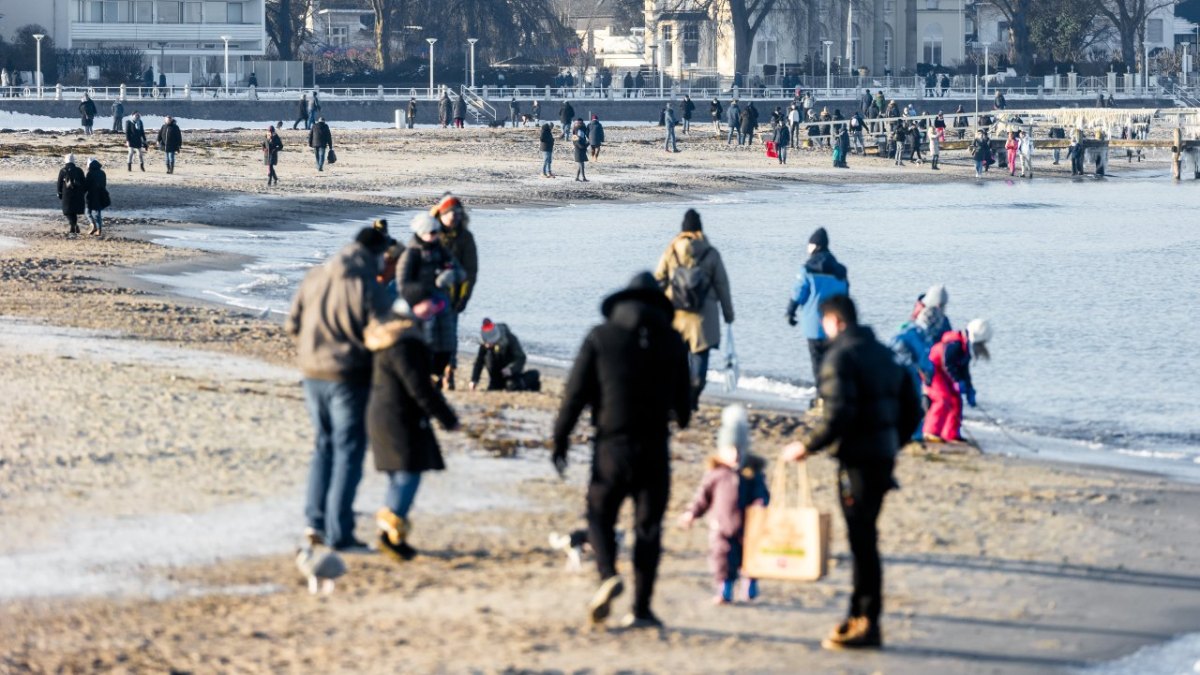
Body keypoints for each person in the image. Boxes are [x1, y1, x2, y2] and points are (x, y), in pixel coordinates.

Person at [780, 295, 921, 650]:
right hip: (881, 458)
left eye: (826, 324)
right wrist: (893, 443)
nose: (825, 331)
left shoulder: (840, 357)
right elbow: (913, 408)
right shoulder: (884, 353)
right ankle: (861, 614)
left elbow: (837, 414)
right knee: (865, 538)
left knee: (862, 541)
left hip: (858, 461)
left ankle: (866, 620)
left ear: (836, 322)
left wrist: (806, 446)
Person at [552, 271, 692, 630]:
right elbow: (685, 411)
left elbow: (574, 395)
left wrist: (560, 439)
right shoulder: (674, 342)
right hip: (654, 449)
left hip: (612, 445)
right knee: (648, 528)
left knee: (599, 515)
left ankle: (608, 575)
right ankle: (642, 609)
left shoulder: (600, 337)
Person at [288, 227, 393, 550]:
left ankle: (314, 522)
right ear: (375, 255)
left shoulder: (316, 275)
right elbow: (385, 332)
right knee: (348, 452)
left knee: (324, 446)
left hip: (312, 373)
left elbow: (293, 324)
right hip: (348, 376)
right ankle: (339, 533)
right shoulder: (366, 284)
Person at [365, 287, 459, 563]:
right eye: (428, 305)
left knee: (400, 474)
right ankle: (390, 532)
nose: (433, 311)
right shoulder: (406, 342)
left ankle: (393, 535)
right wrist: (447, 418)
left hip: (383, 413)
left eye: (437, 307)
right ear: (411, 307)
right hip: (399, 417)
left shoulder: (388, 334)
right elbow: (419, 387)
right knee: (409, 473)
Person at [678, 404, 769, 605]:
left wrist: (760, 503)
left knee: (750, 558)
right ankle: (724, 589)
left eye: (739, 449)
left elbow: (762, 494)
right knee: (722, 559)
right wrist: (691, 514)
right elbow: (702, 498)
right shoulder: (716, 475)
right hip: (721, 526)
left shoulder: (752, 474)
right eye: (730, 449)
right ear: (721, 451)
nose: (735, 454)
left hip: (749, 527)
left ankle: (750, 584)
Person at [653, 209, 735, 410]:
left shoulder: (671, 250)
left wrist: (657, 307)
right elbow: (722, 285)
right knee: (700, 360)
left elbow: (658, 278)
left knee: (676, 360)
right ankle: (693, 395)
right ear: (700, 229)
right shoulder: (711, 253)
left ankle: (679, 398)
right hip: (703, 318)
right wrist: (728, 314)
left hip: (676, 315)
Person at [786, 227, 850, 392]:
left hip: (813, 326)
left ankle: (821, 396)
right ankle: (834, 394)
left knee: (817, 363)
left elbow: (799, 292)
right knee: (834, 364)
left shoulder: (807, 269)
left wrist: (790, 311)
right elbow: (845, 297)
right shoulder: (840, 271)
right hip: (835, 327)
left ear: (814, 246)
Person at [432, 195, 478, 389]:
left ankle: (449, 371)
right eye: (449, 214)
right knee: (431, 335)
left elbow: (470, 270)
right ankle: (436, 372)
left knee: (450, 335)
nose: (453, 217)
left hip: (453, 298)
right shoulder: (430, 233)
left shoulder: (465, 238)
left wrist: (464, 297)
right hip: (430, 296)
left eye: (456, 214)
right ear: (441, 215)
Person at [924, 319, 992, 443]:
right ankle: (931, 432)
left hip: (946, 373)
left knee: (956, 401)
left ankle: (951, 434)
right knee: (943, 398)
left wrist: (969, 388)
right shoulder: (954, 344)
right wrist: (956, 381)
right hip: (932, 370)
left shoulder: (966, 348)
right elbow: (948, 364)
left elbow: (964, 370)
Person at [469, 319, 540, 392]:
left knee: (512, 386)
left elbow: (521, 357)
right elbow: (479, 362)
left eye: (489, 343)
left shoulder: (510, 338)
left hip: (511, 374)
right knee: (492, 390)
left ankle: (532, 377)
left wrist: (510, 369)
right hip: (495, 377)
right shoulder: (485, 344)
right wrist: (474, 380)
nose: (487, 345)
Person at [56, 155, 87, 237]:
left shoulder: (63, 170)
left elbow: (59, 183)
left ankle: (73, 226)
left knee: (68, 211)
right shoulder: (79, 170)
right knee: (74, 211)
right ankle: (74, 226)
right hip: (78, 194)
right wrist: (83, 192)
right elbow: (84, 182)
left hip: (67, 194)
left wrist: (59, 193)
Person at [84, 159, 110, 237]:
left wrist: (82, 192)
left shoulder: (90, 173)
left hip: (91, 195)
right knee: (98, 213)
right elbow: (104, 184)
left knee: (88, 212)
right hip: (101, 194)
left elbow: (87, 185)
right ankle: (99, 229)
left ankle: (93, 225)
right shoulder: (102, 173)